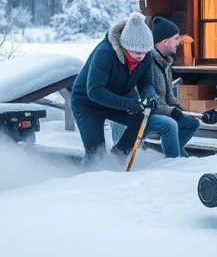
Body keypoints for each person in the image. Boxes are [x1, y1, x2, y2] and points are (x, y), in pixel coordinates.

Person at [71, 12, 167, 160]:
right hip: (87, 103)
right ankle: (90, 177)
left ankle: (118, 156)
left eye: (145, 52)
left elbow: (146, 82)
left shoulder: (145, 55)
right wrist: (129, 104)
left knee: (143, 119)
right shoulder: (105, 53)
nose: (141, 56)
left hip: (116, 97)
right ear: (125, 46)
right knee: (96, 155)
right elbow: (95, 91)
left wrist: (149, 96)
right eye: (137, 52)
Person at [148, 16, 217, 157]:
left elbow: (169, 96)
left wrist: (182, 110)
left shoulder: (165, 63)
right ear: (164, 41)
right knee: (172, 125)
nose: (179, 42)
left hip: (165, 111)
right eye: (176, 38)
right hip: (151, 114)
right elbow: (152, 99)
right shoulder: (149, 64)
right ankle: (175, 161)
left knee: (191, 123)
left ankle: (177, 158)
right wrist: (172, 112)